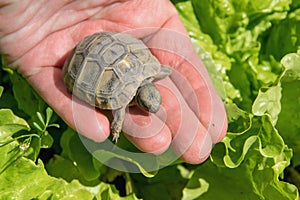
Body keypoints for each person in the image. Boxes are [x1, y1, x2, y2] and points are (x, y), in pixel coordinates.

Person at [0, 0, 227, 164]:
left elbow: (157, 71)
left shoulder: (151, 73)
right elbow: (118, 109)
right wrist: (116, 128)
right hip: (84, 61)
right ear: (139, 99)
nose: (151, 109)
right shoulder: (129, 94)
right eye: (148, 106)